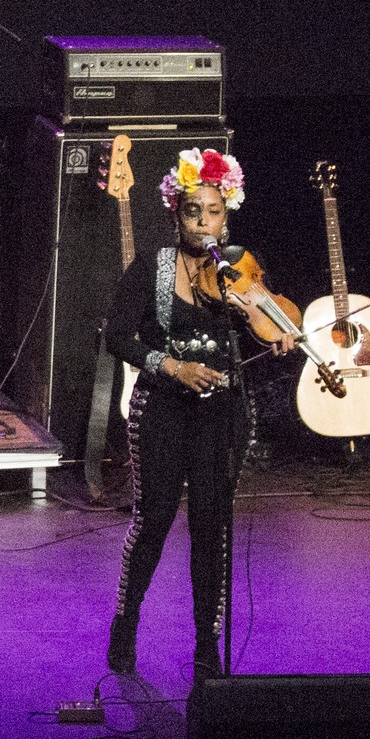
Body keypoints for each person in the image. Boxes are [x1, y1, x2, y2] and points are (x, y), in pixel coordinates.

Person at [102, 148, 256, 677]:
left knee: (213, 527)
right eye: (194, 212)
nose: (204, 222)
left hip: (220, 415)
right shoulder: (153, 267)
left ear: (226, 213)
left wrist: (278, 335)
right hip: (163, 409)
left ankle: (207, 646)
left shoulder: (237, 268)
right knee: (154, 520)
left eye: (214, 212)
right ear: (176, 213)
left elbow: (264, 324)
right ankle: (126, 623)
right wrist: (170, 366)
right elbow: (117, 337)